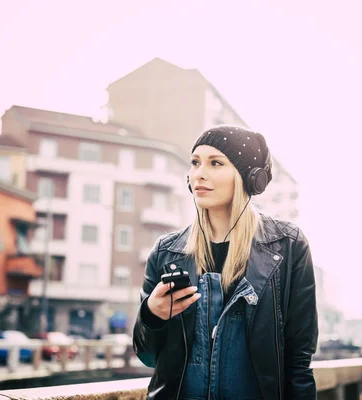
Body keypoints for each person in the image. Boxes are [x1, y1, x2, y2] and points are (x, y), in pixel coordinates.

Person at [133, 125, 319, 399]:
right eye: (195, 163)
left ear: (250, 178)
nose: (199, 174)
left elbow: (299, 361)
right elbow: (148, 357)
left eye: (215, 163)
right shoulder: (167, 251)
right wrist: (152, 314)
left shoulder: (288, 246)